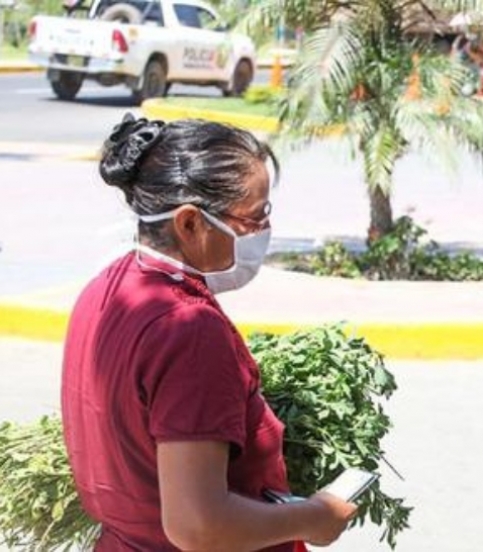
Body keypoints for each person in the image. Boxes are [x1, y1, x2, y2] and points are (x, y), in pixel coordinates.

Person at [61, 115, 357, 551]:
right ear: (189, 224)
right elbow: (198, 525)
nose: (263, 232)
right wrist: (316, 516)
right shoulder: (190, 331)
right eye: (253, 219)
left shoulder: (107, 286)